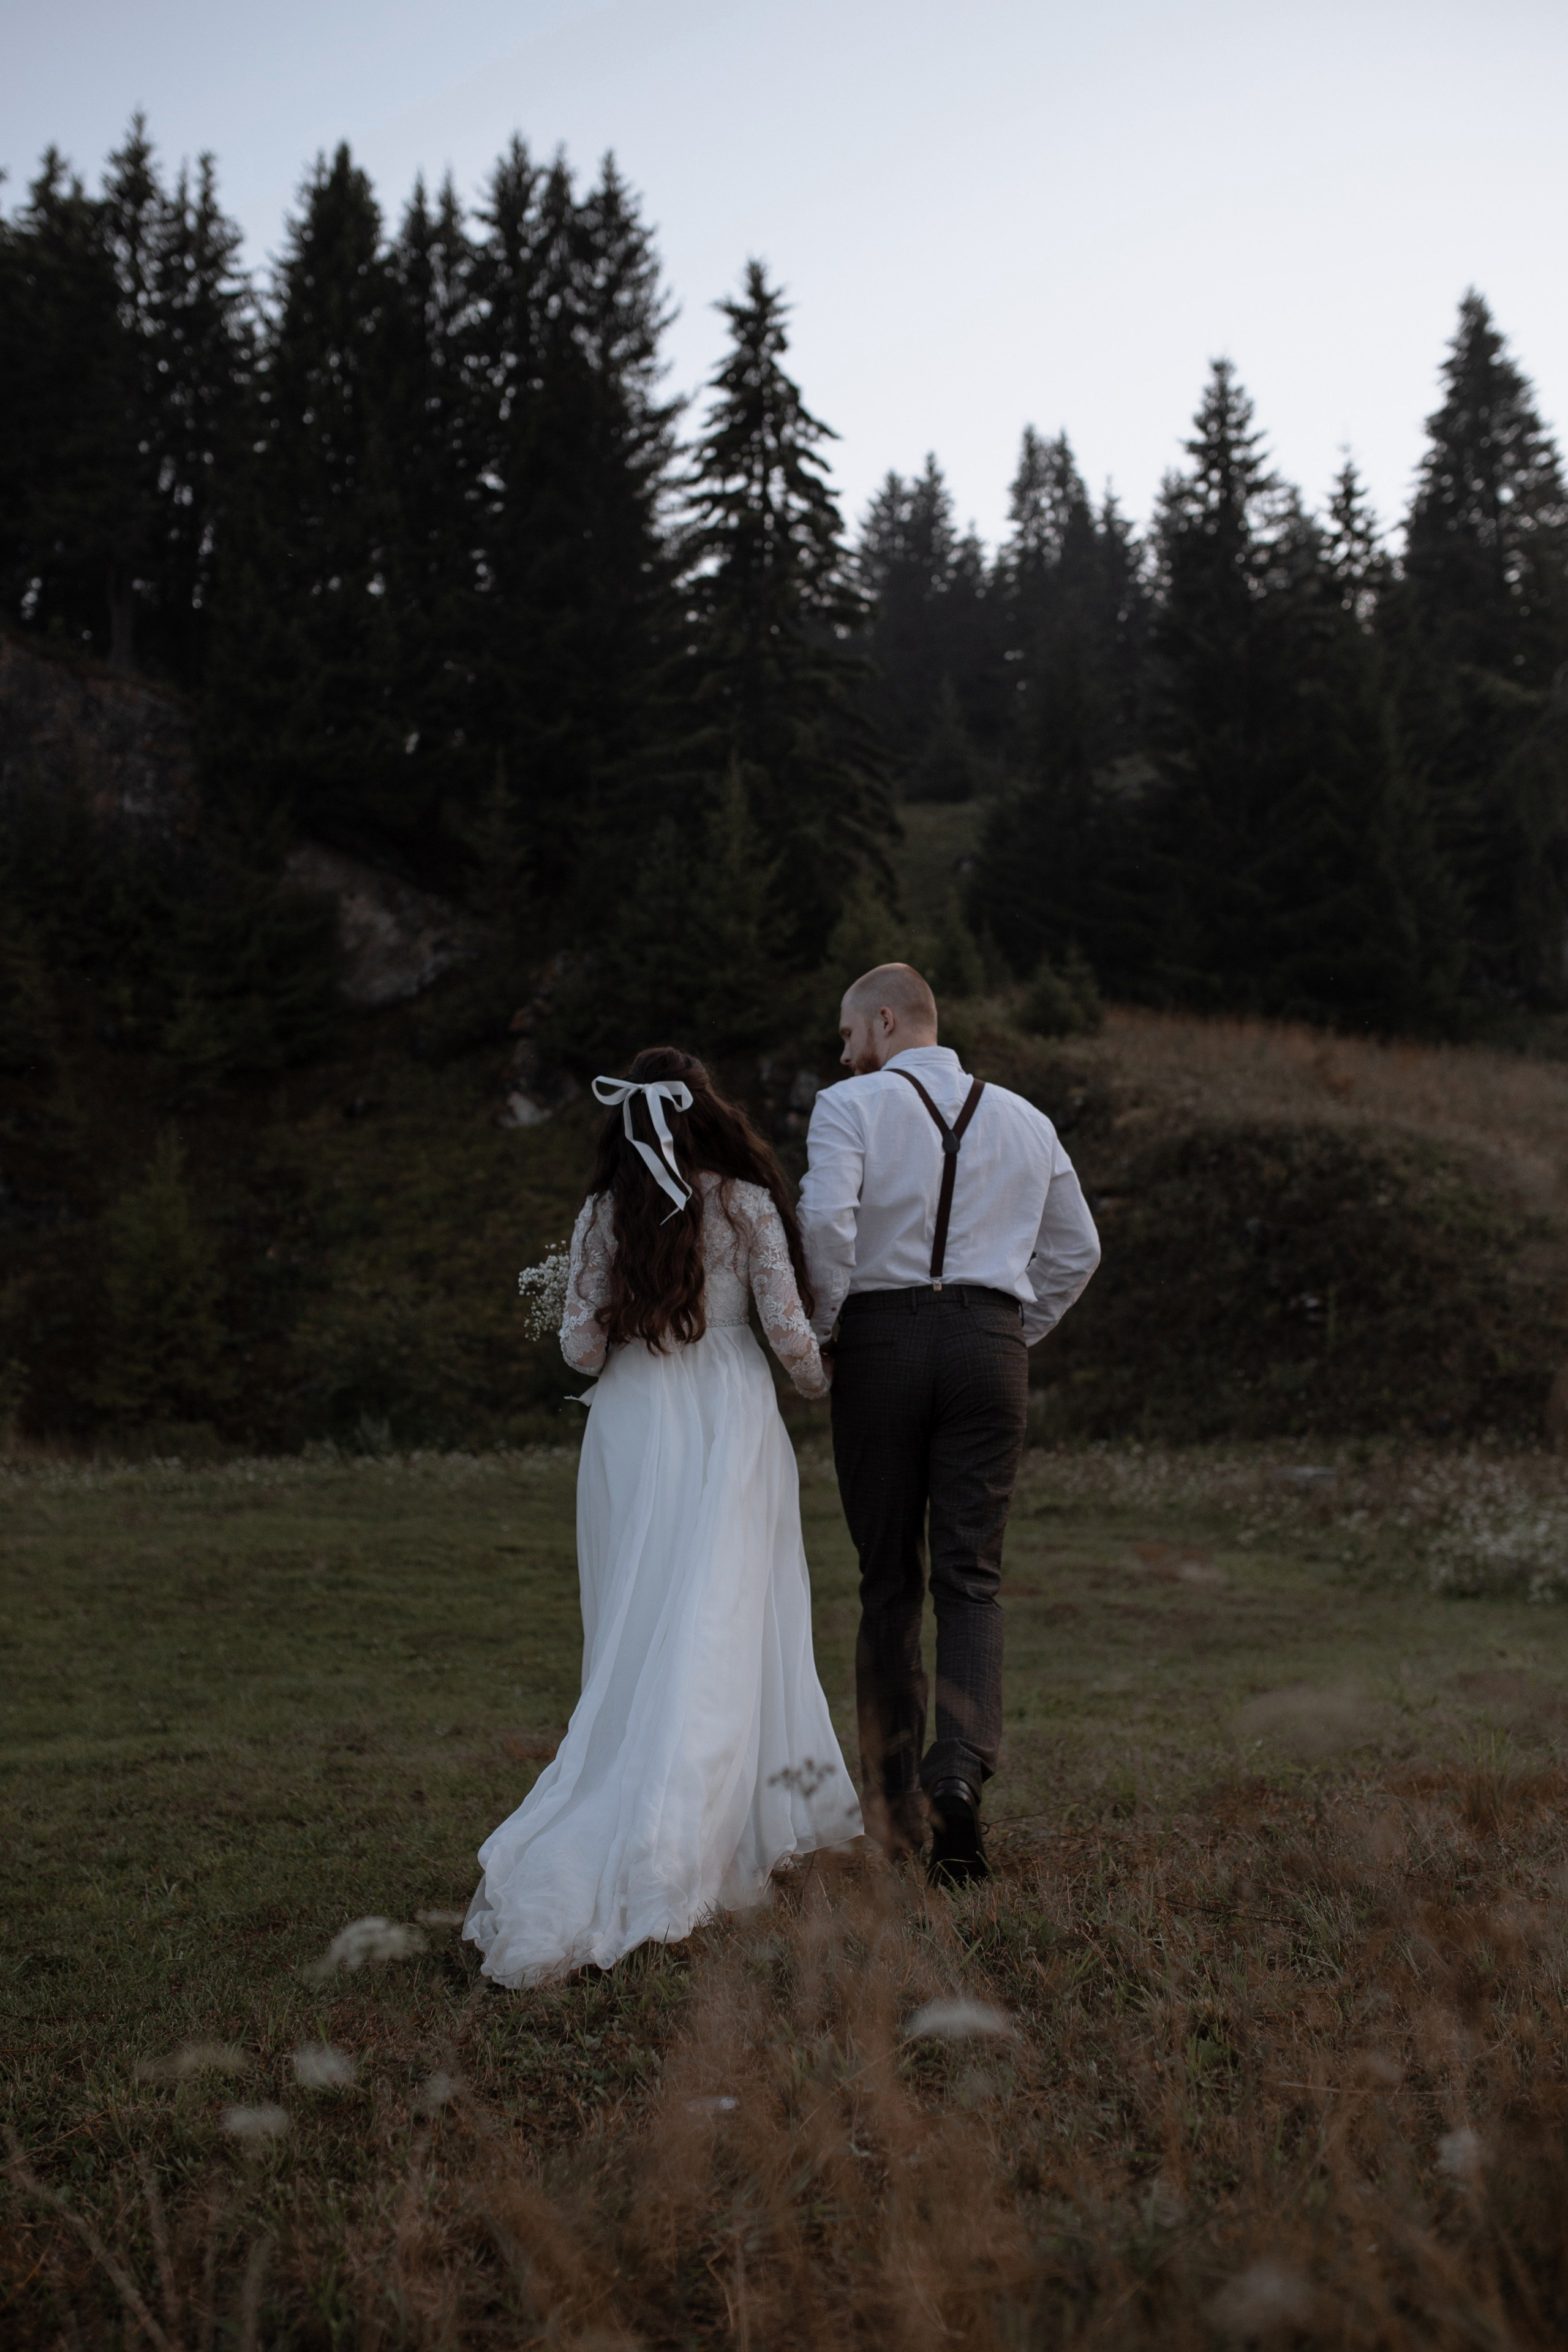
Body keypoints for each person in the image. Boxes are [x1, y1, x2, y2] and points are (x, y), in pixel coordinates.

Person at [465, 1046, 861, 1988]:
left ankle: (629, 1808)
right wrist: (822, 1381)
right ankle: (702, 1828)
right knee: (724, 1611)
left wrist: (629, 1333)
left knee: (643, 1620)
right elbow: (791, 1336)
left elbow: (576, 1349)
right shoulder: (744, 1204)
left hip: (637, 1422)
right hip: (728, 1414)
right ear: (706, 1115)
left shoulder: (604, 1214)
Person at [799, 963, 1101, 1883]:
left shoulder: (850, 1107)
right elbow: (1077, 1249)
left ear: (885, 1020)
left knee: (889, 1578)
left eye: (850, 1034)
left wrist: (823, 1333)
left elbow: (825, 1224)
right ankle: (959, 1777)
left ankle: (893, 1816)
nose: (845, 1053)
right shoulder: (1027, 1118)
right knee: (971, 1577)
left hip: (882, 1344)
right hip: (989, 1347)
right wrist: (1011, 1331)